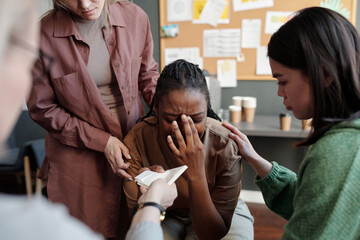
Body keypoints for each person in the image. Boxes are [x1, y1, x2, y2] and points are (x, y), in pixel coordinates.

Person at [223, 7, 360, 239]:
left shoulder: (338, 153)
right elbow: (308, 200)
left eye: (283, 81)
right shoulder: (342, 140)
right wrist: (256, 159)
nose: (280, 93)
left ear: (325, 74)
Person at [27, 0, 159, 238]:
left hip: (133, 147)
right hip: (76, 156)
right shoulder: (41, 36)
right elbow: (43, 108)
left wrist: (171, 112)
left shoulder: (136, 17)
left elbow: (148, 74)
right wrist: (103, 141)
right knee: (84, 230)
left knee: (133, 225)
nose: (85, 4)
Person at [123, 59, 254, 240]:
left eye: (197, 119)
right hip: (166, 212)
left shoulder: (224, 143)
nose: (184, 129)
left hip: (216, 210)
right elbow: (137, 221)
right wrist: (147, 192)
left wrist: (196, 173)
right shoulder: (137, 139)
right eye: (170, 119)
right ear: (157, 109)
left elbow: (213, 233)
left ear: (207, 110)